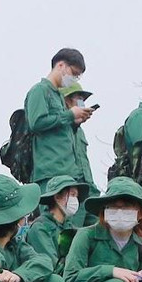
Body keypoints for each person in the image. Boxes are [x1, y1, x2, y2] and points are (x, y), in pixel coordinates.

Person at [24, 48, 91, 186]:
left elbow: (58, 127)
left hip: (69, 172)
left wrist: (75, 122)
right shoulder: (40, 90)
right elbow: (36, 123)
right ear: (61, 66)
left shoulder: (59, 96)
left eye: (78, 76)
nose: (74, 79)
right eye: (73, 74)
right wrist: (70, 114)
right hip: (50, 174)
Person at [25, 175, 91, 269]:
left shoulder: (68, 227)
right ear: (57, 197)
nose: (75, 200)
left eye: (76, 196)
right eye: (72, 195)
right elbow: (51, 265)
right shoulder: (40, 228)